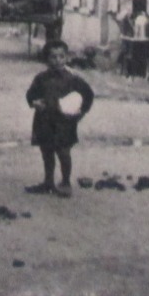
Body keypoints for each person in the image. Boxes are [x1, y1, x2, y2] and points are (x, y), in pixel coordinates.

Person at [25, 39, 94, 198]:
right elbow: (30, 94)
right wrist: (34, 102)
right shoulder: (41, 78)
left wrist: (81, 113)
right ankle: (48, 182)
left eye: (61, 57)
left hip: (64, 123)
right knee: (46, 152)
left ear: (67, 58)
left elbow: (88, 94)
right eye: (53, 57)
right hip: (44, 120)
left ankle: (65, 182)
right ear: (46, 59)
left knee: (63, 152)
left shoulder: (73, 79)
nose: (57, 61)